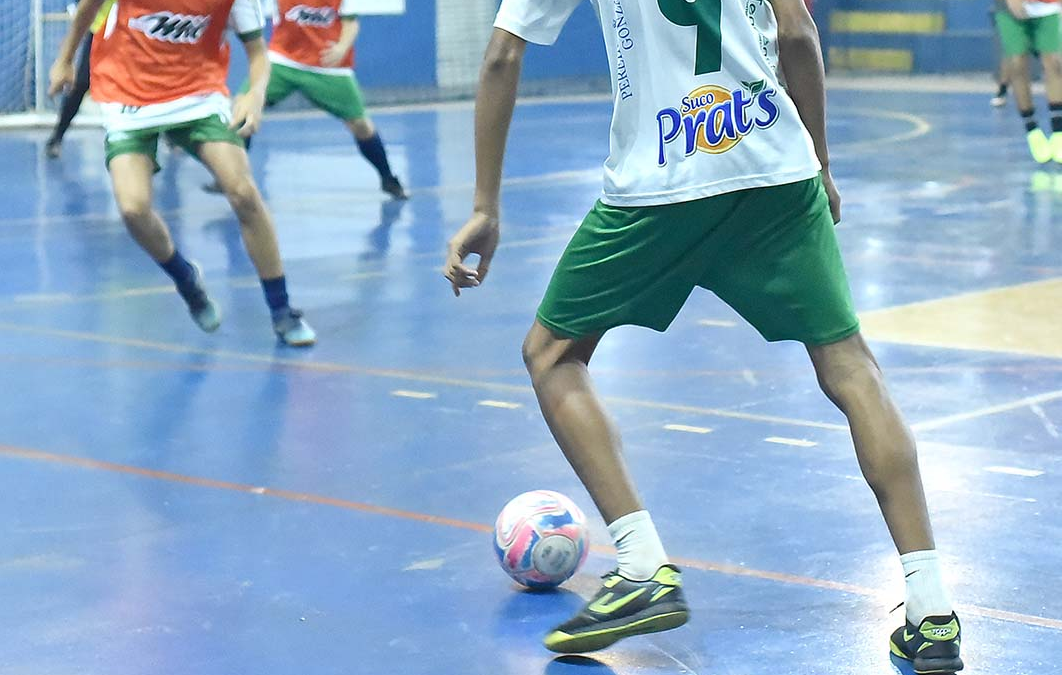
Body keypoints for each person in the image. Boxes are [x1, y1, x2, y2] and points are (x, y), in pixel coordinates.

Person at [443, 1, 963, 673]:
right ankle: (934, 607)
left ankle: (640, 565)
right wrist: (820, 164)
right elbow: (798, 32)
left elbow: (501, 56)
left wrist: (485, 205)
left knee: (551, 354)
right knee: (852, 367)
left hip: (660, 179)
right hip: (775, 164)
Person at [49, 0, 316, 346]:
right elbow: (89, 6)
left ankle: (282, 311)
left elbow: (258, 55)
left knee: (243, 192)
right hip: (128, 94)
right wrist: (65, 59)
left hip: (198, 96)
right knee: (133, 209)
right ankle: (186, 278)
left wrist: (254, 94)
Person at [206, 0, 407, 199]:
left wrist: (341, 47)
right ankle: (229, 176)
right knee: (243, 106)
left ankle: (387, 177)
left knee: (361, 125)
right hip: (283, 61)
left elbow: (351, 22)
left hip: (327, 68)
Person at [45, 0, 116, 158]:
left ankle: (169, 132)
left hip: (136, 32)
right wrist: (65, 58)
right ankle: (57, 136)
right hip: (101, 30)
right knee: (81, 82)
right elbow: (86, 7)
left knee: (156, 81)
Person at [994, 0, 1062, 161]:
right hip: (1010, 9)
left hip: (1048, 6)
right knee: (1017, 63)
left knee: (1054, 62)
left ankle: (1058, 132)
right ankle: (1032, 130)